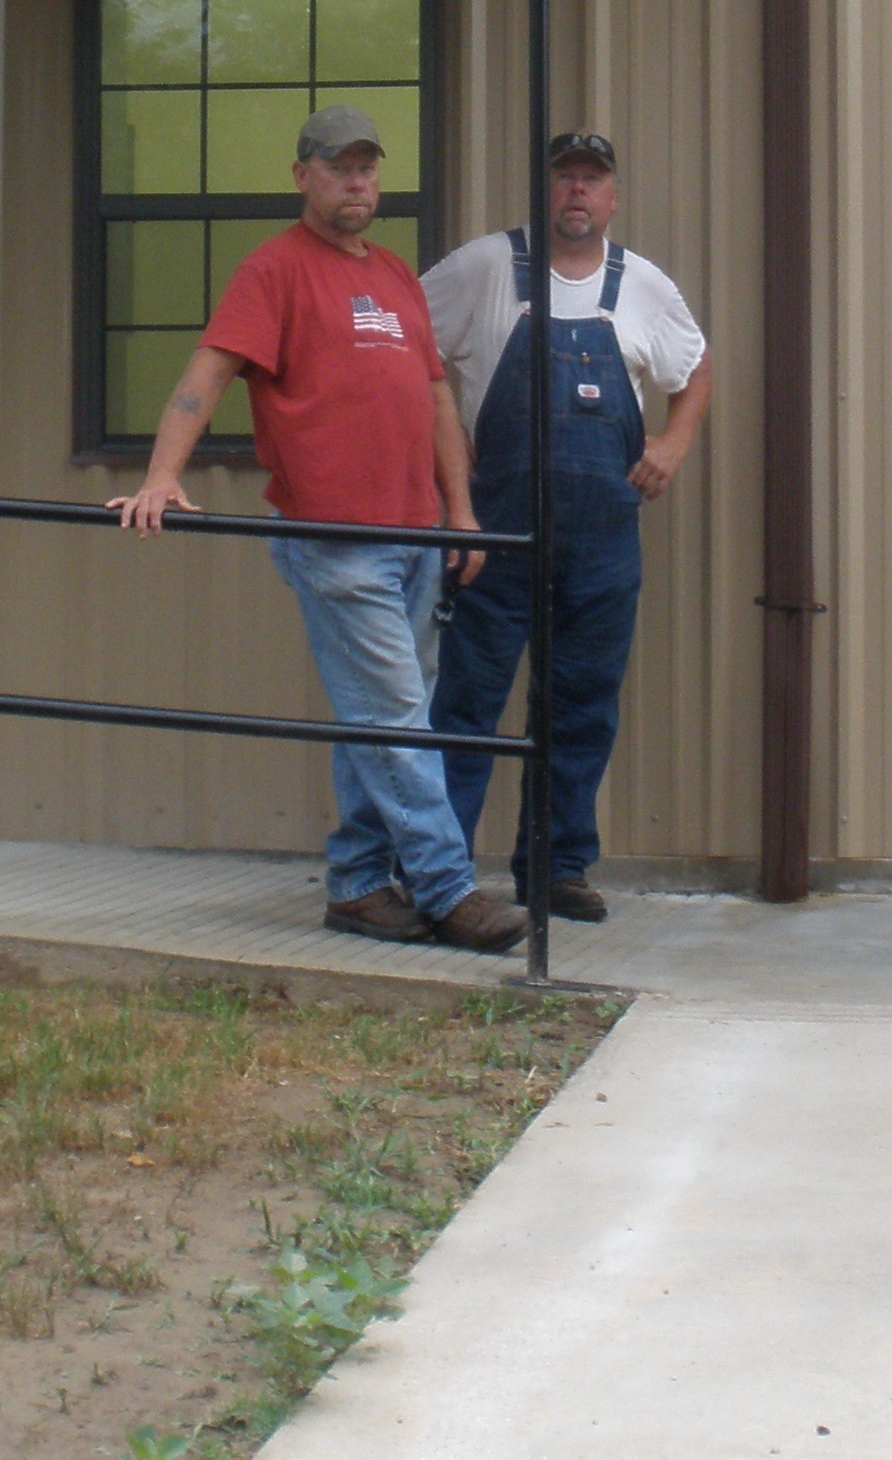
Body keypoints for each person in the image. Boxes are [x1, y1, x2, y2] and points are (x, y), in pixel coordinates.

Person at [111, 105, 527, 954]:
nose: (358, 182)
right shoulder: (273, 273)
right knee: (397, 716)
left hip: (420, 538)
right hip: (335, 540)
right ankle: (447, 890)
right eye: (341, 167)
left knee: (378, 716)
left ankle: (361, 884)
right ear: (303, 176)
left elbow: (437, 398)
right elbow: (207, 375)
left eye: (369, 168)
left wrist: (461, 513)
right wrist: (162, 474)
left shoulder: (399, 278)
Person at [420, 134, 714, 922]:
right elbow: (409, 347)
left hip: (603, 543)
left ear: (612, 197)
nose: (576, 192)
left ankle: (556, 869)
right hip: (496, 531)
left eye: (592, 179)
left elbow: (695, 369)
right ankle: (439, 873)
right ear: (541, 192)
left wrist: (673, 443)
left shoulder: (644, 286)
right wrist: (448, 445)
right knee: (468, 700)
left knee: (581, 704)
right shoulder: (486, 268)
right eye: (563, 178)